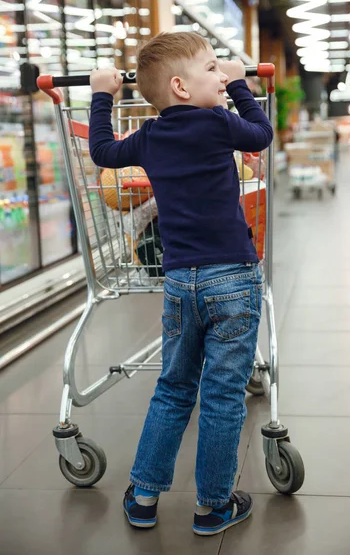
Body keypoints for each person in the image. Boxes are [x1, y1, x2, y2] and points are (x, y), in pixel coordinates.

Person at [89, 32, 273, 536]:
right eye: (213, 68)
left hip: (179, 281)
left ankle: (144, 495)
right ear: (182, 87)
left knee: (173, 389)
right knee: (221, 395)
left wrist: (103, 93)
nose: (220, 73)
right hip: (232, 277)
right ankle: (213, 505)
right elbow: (261, 135)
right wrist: (241, 87)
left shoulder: (149, 136)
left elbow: (103, 150)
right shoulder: (218, 124)